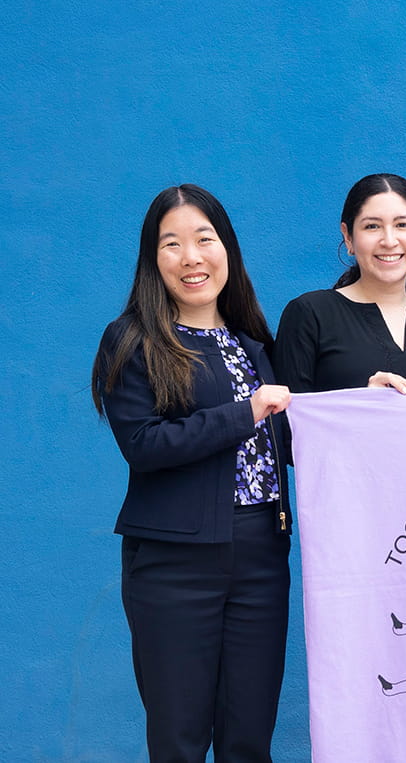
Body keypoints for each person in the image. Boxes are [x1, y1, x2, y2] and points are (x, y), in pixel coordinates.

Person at [92, 185, 292, 761]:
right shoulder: (132, 339)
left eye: (205, 239)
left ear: (226, 247)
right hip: (175, 561)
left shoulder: (252, 343)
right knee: (180, 740)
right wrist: (246, 411)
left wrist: (364, 403)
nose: (191, 257)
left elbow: (295, 435)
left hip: (261, 552)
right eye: (172, 243)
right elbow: (144, 444)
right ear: (153, 260)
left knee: (249, 739)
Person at [274, 173, 406, 393]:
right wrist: (363, 402)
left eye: (402, 225)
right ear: (348, 236)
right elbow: (288, 418)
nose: (389, 241)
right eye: (372, 226)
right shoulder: (310, 314)